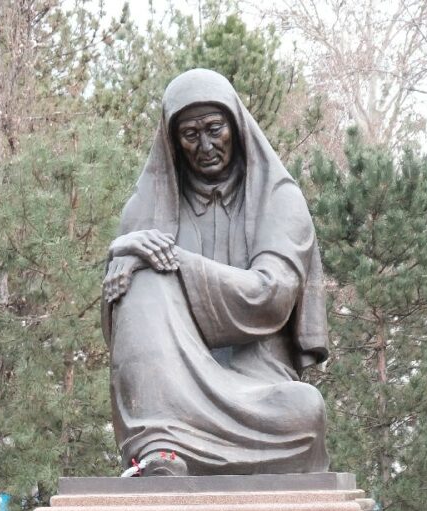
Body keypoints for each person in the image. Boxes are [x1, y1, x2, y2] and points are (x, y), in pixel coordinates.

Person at [103, 68, 330, 477]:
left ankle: (175, 443)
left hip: (257, 383)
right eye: (190, 135)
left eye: (214, 128)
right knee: (140, 278)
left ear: (236, 128)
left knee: (304, 409)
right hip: (172, 384)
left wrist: (172, 260)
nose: (205, 145)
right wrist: (124, 255)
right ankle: (162, 450)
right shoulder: (145, 210)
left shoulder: (280, 199)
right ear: (174, 142)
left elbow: (270, 296)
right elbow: (126, 327)